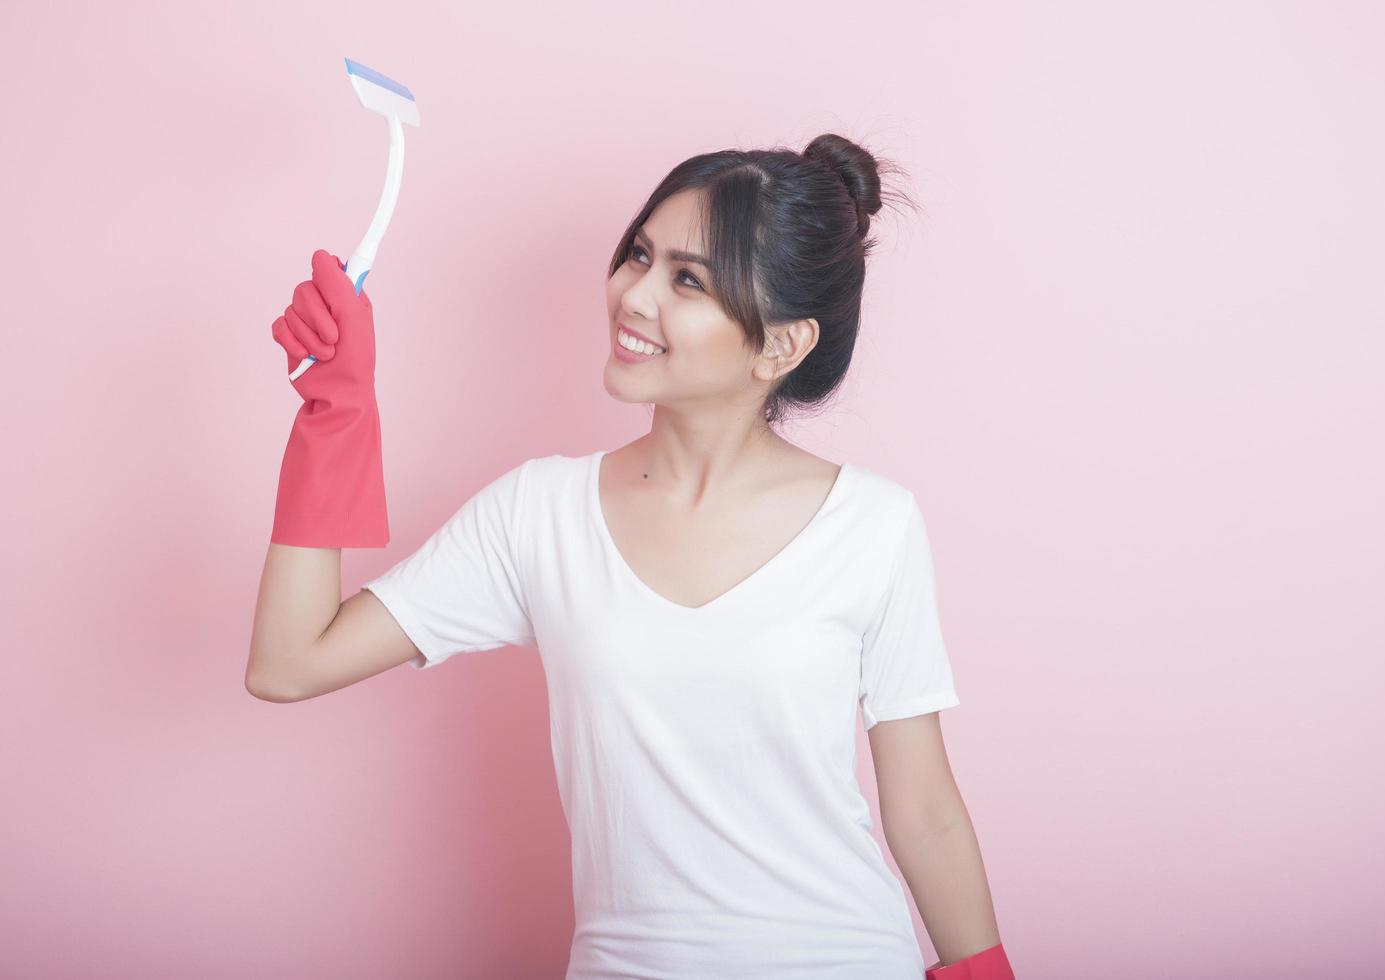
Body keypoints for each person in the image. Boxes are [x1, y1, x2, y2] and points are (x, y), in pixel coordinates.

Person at [246, 134, 1014, 980]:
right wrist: (333, 415)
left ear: (782, 346)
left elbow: (925, 810)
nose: (634, 294)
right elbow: (291, 661)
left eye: (688, 280)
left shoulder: (872, 525)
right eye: (638, 256)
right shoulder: (538, 514)